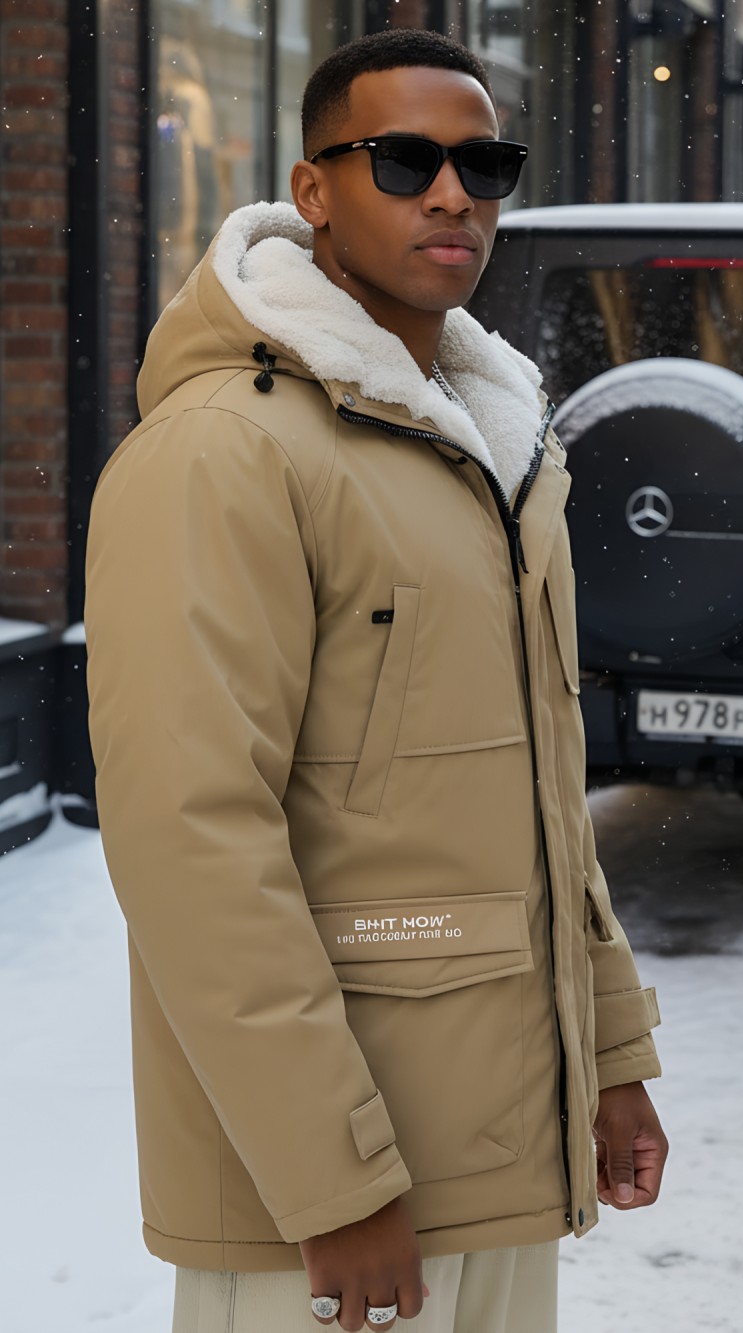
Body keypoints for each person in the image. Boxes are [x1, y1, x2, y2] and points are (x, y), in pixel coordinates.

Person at [85, 28, 667, 1333]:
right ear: (313, 188)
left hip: (504, 1152)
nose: (453, 194)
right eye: (404, 160)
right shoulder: (223, 451)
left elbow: (540, 803)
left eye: (484, 164)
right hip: (328, 1203)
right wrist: (329, 1176)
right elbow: (191, 839)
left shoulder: (494, 448)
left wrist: (611, 1055)